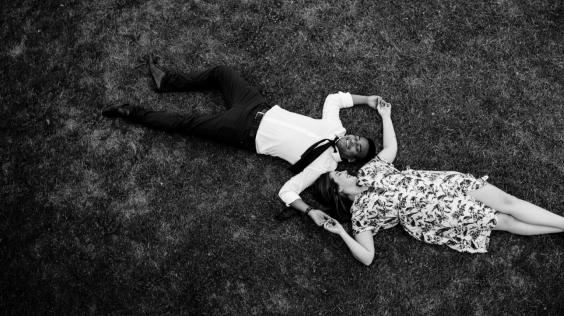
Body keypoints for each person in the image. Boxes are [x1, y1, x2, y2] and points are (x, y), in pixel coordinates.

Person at [313, 100, 564, 265]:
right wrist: (340, 231)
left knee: (509, 204)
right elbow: (367, 257)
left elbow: (390, 150)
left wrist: (385, 116)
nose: (344, 172)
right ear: (336, 189)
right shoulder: (361, 215)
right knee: (504, 221)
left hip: (448, 184)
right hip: (439, 214)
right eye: (337, 175)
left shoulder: (368, 171)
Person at [102, 55, 379, 224]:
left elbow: (287, 192)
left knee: (185, 123)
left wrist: (308, 212)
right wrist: (366, 99)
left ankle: (132, 112)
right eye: (357, 137)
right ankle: (166, 82)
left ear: (352, 158)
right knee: (221, 72)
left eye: (357, 146)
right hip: (257, 105)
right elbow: (334, 99)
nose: (353, 140)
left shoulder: (323, 168)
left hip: (242, 130)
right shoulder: (336, 127)